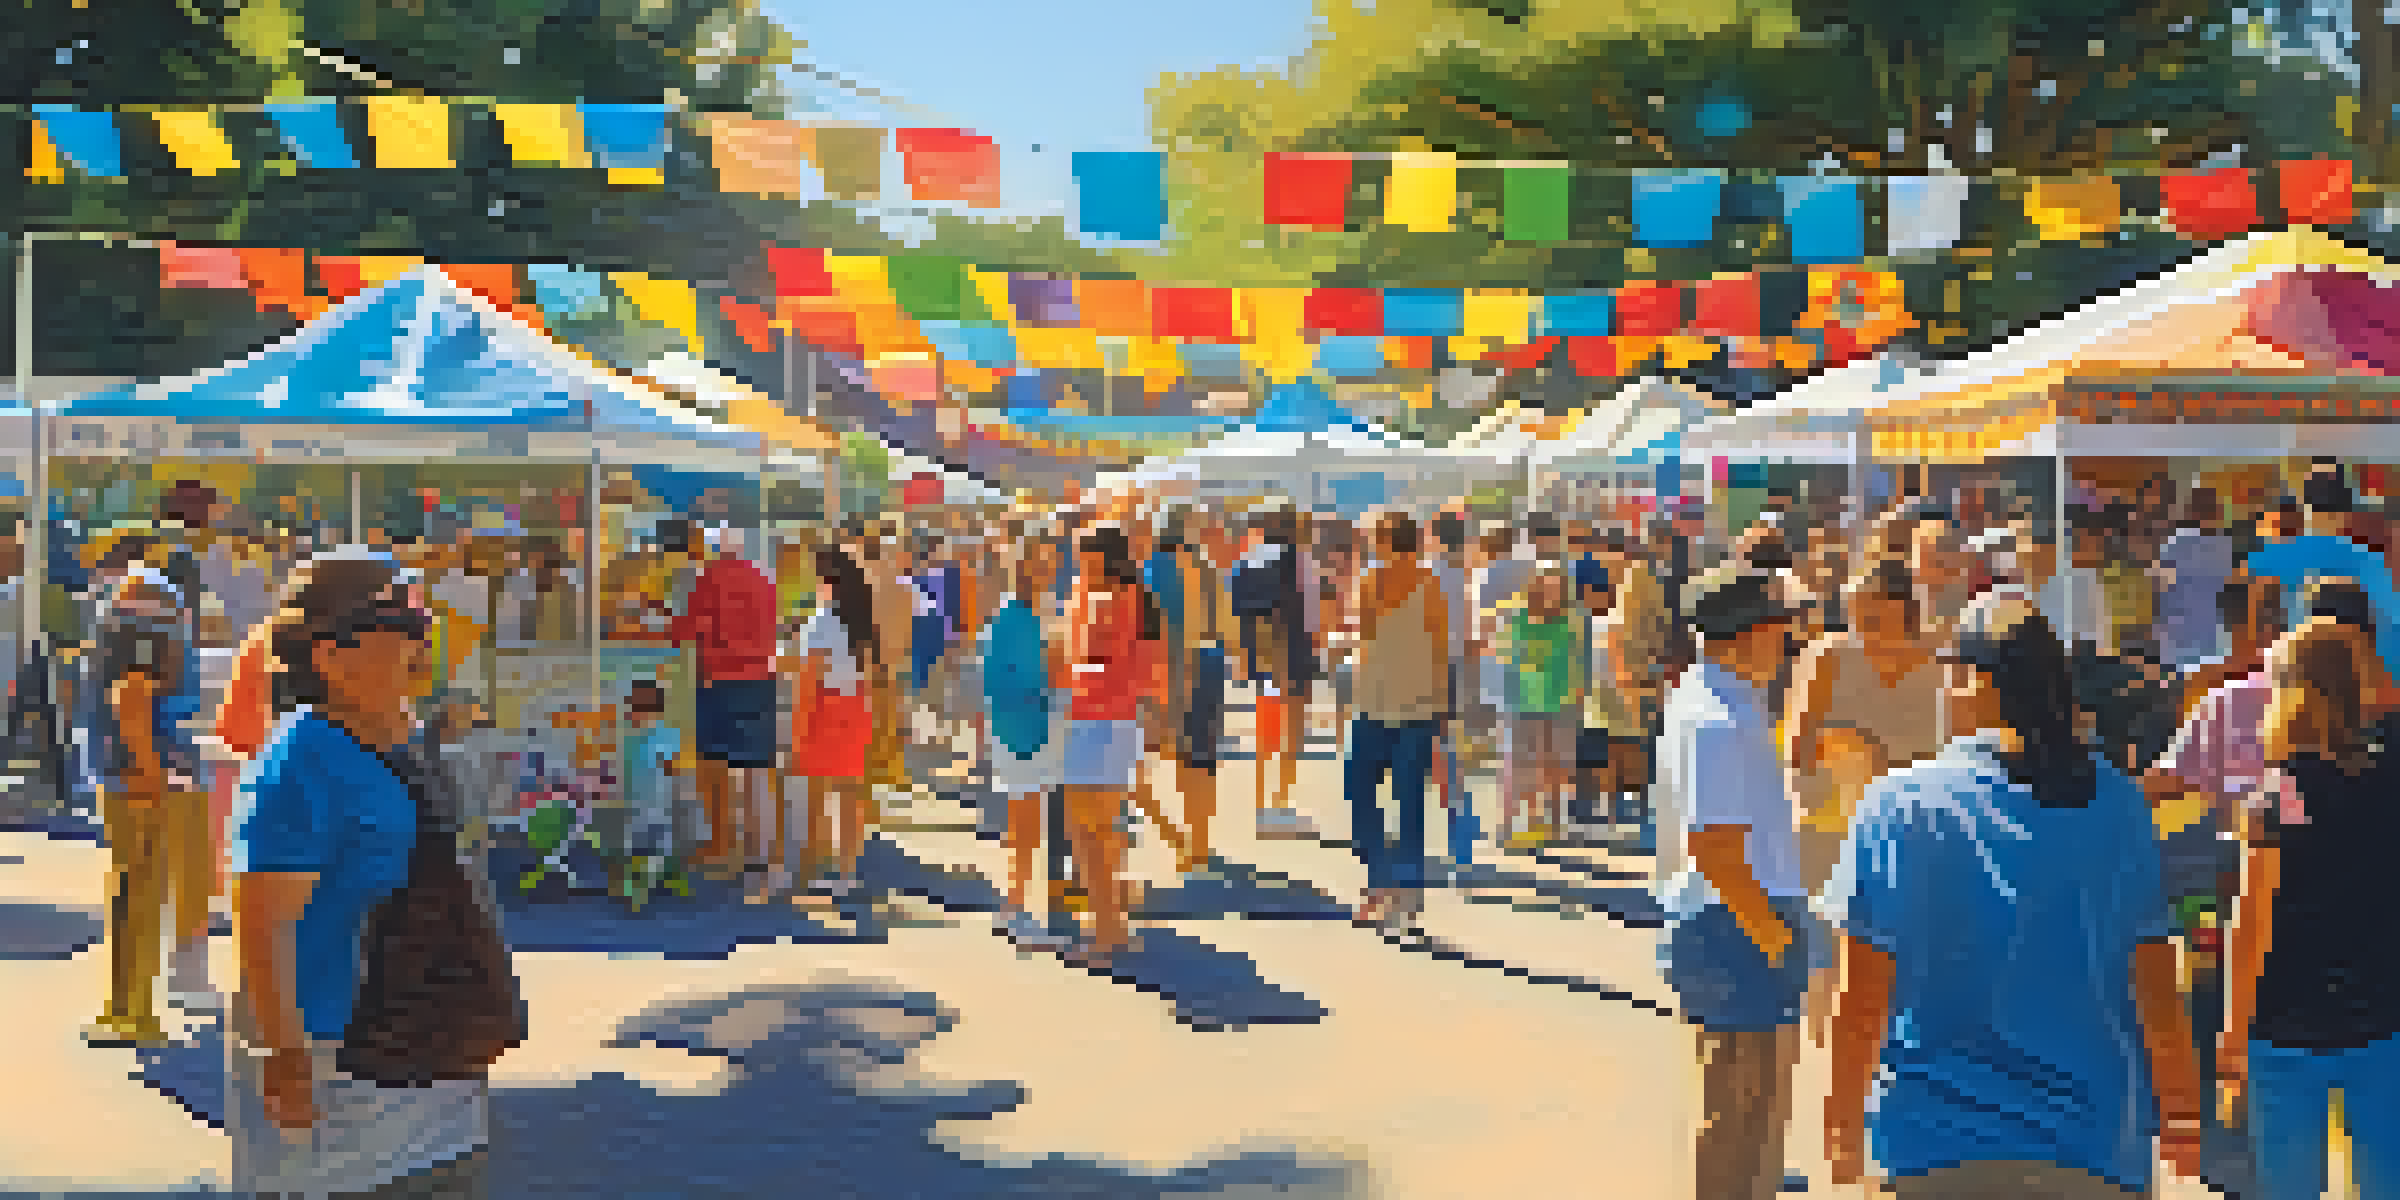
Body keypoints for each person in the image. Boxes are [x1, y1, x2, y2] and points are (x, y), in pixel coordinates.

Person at [1820, 592, 2203, 1198]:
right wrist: (2180, 1114)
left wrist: (1841, 1133)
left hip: (1931, 1150)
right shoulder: (2118, 804)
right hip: (2090, 1150)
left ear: (1975, 682)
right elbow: (2154, 987)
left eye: (1949, 675)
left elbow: (1862, 1000)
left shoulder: (1897, 805)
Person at [227, 551, 513, 1197]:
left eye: (421, 624)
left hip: (439, 1077)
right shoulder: (301, 760)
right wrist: (286, 1057)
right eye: (397, 627)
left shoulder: (409, 742)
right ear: (328, 656)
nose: (421, 642)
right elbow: (262, 922)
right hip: (342, 1081)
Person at [2218, 617, 2400, 1200]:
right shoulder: (2389, 781)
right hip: (2382, 1017)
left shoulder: (2275, 795)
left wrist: (2230, 1035)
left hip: (2284, 1026)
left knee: (2286, 1188)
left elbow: (2251, 923)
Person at [1654, 567, 1810, 1200]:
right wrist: (1769, 934)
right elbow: (1716, 846)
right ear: (1747, 636)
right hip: (1734, 921)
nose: (1787, 646)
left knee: (1751, 1109)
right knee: (1738, 1109)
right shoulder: (1717, 718)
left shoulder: (1721, 704)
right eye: (1780, 632)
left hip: (1736, 917)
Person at [83, 547, 215, 1045]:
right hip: (158, 774)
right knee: (142, 893)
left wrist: (147, 770)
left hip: (141, 776)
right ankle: (130, 1013)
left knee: (134, 894)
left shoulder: (133, 634)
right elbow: (135, 699)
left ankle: (130, 1014)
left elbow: (130, 699)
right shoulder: (155, 634)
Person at [1345, 511, 1450, 932]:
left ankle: (1380, 884)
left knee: (1361, 793)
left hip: (1377, 702)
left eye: (1375, 536)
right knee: (1408, 801)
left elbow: (1361, 631)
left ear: (1388, 539)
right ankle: (1401, 889)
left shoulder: (1373, 581)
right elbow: (1441, 651)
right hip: (1416, 705)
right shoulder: (1429, 585)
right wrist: (1444, 707)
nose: (1371, 542)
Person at [1059, 525, 1157, 966]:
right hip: (1121, 720)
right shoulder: (1140, 595)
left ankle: (1105, 934)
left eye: (1083, 554)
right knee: (1104, 828)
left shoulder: (1100, 598)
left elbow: (1087, 662)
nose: (1078, 561)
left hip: (1091, 720)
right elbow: (1152, 664)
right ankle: (1112, 921)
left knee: (1089, 833)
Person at [669, 526, 779, 878]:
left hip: (719, 681)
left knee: (714, 767)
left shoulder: (710, 578)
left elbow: (689, 630)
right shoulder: (764, 579)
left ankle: (720, 845)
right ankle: (758, 851)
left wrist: (670, 625)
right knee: (755, 769)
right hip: (760, 680)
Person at [783, 546, 881, 910]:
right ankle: (846, 871)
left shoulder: (820, 622)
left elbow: (808, 681)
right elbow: (870, 675)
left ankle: (808, 872)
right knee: (849, 794)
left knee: (815, 794)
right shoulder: (860, 619)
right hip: (856, 706)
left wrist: (797, 730)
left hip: (826, 708)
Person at [982, 534, 1066, 946]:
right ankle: (1016, 909)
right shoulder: (1017, 619)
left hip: (1026, 729)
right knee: (1026, 824)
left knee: (1028, 823)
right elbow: (1018, 680)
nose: (1050, 568)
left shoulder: (1024, 615)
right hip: (1024, 731)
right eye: (1042, 562)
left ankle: (1017, 907)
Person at [2248, 464, 2400, 670]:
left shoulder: (2264, 561)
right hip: (2357, 678)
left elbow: (2244, 627)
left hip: (2285, 679)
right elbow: (2391, 626)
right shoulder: (2369, 563)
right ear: (2348, 507)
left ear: (2304, 504)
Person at [1233, 507, 1315, 839]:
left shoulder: (1248, 561)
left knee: (1266, 730)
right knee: (1292, 733)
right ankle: (1280, 803)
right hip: (1294, 655)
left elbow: (1237, 607)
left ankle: (1259, 807)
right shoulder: (1300, 562)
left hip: (1263, 656)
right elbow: (1311, 615)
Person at [1499, 564, 1582, 848]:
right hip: (1525, 701)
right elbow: (1510, 658)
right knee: (1529, 766)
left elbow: (1578, 660)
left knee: (1555, 765)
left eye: (1557, 586)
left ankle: (1555, 822)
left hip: (1560, 701)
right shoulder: (1519, 619)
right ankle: (1533, 823)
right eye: (1546, 585)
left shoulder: (1570, 621)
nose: (1551, 591)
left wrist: (1578, 693)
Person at [2158, 488, 2237, 673]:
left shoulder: (2175, 544)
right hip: (2197, 636)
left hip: (2193, 634)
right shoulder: (2220, 544)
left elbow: (2161, 590)